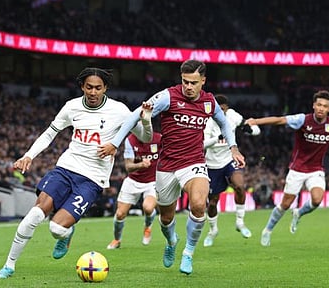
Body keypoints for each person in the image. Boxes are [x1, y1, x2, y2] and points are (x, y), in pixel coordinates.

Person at [0, 67, 153, 279]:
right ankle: (9, 266)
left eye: (98, 88)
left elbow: (145, 138)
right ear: (82, 87)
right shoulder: (72, 107)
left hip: (92, 179)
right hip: (66, 168)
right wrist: (29, 155)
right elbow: (51, 132)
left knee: (56, 229)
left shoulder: (119, 111)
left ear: (105, 88)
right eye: (89, 87)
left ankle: (66, 235)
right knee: (34, 214)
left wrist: (146, 119)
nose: (93, 92)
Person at [98, 60, 245, 275]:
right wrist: (115, 143)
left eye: (194, 82)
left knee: (198, 204)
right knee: (166, 218)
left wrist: (234, 148)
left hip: (194, 162)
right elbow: (134, 116)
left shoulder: (210, 102)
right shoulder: (167, 96)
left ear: (203, 81)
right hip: (166, 166)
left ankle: (188, 253)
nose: (188, 86)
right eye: (185, 81)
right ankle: (171, 243)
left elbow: (224, 123)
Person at [245, 90, 329, 247]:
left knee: (317, 199)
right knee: (285, 204)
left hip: (316, 170)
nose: (321, 108)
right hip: (297, 169)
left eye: (325, 106)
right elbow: (279, 120)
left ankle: (299, 213)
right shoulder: (303, 120)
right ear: (314, 106)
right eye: (319, 105)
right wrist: (256, 121)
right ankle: (268, 230)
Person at [202, 94, 261, 247]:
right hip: (212, 165)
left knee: (240, 186)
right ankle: (213, 230)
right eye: (217, 110)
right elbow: (202, 145)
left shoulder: (233, 116)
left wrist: (249, 129)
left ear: (227, 109)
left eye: (222, 110)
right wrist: (217, 138)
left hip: (229, 160)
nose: (219, 113)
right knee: (213, 202)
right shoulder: (207, 121)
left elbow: (254, 129)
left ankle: (240, 222)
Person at [106, 131, 162, 250]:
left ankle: (147, 226)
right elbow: (128, 167)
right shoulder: (130, 140)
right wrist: (141, 164)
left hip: (153, 181)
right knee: (120, 214)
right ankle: (117, 239)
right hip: (133, 181)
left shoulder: (159, 138)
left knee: (148, 207)